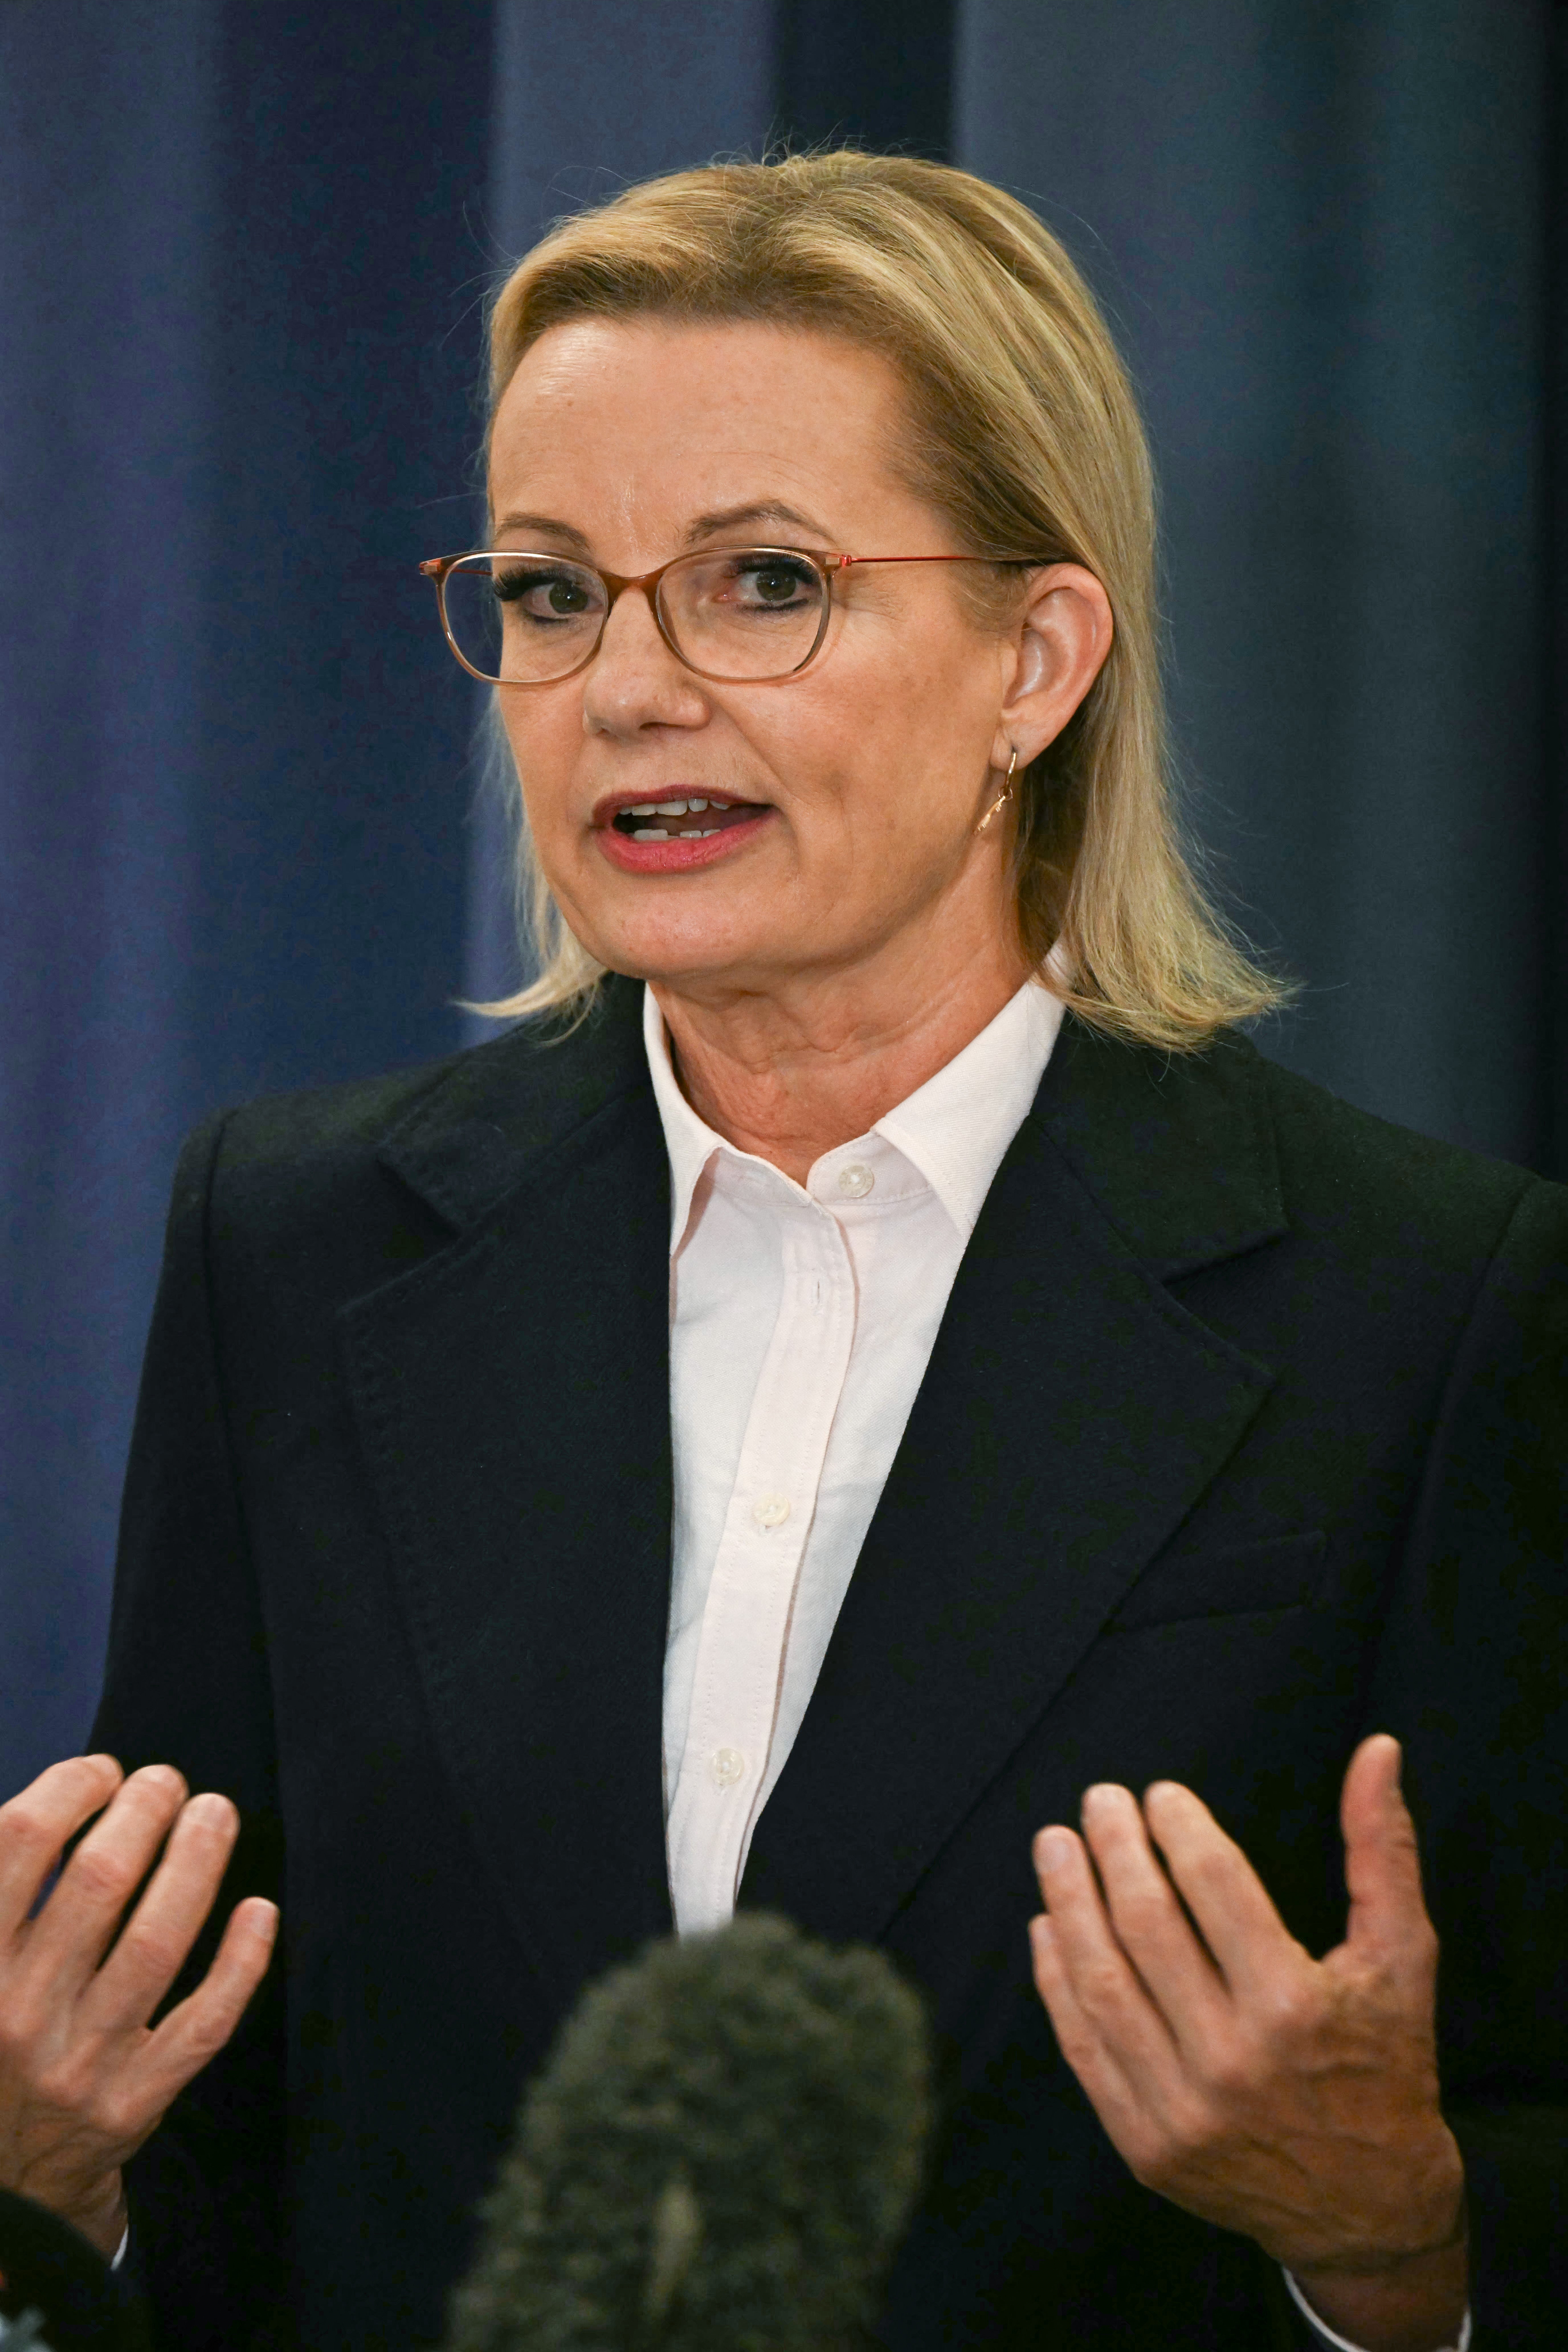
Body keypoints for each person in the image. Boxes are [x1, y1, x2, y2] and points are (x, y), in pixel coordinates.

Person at [0, 150, 1561, 2352]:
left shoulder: (1428, 1308)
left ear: (1036, 658)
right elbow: (205, 2125)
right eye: (551, 593)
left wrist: (1391, 2240)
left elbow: (1503, 2138)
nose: (626, 686)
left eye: (759, 582)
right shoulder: (294, 1244)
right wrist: (57, 2193)